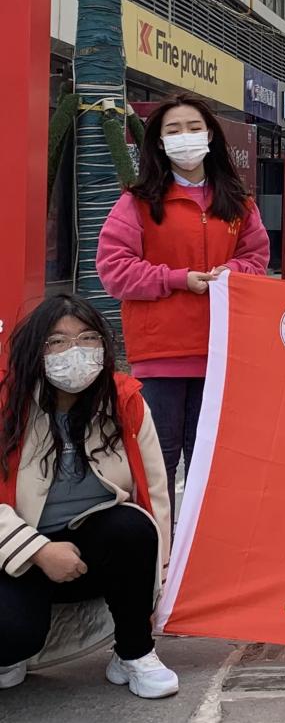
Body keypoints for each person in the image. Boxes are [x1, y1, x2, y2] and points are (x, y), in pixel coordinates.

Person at [97, 95, 270, 522]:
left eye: (194, 128)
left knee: (209, 461)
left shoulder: (238, 203)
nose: (185, 137)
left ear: (210, 135)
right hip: (160, 356)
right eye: (173, 130)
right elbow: (114, 270)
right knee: (158, 461)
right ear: (158, 142)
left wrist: (232, 272)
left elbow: (256, 258)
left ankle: (199, 549)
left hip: (220, 353)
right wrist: (178, 279)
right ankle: (160, 548)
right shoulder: (138, 202)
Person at [0, 295, 177, 698]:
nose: (74, 351)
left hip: (91, 552)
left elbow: (155, 494)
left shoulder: (124, 401)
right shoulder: (6, 405)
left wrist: (158, 586)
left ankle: (134, 652)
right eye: (57, 341)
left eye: (87, 338)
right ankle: (13, 653)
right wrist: (39, 551)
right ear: (34, 349)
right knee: (12, 634)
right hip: (16, 556)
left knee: (133, 527)